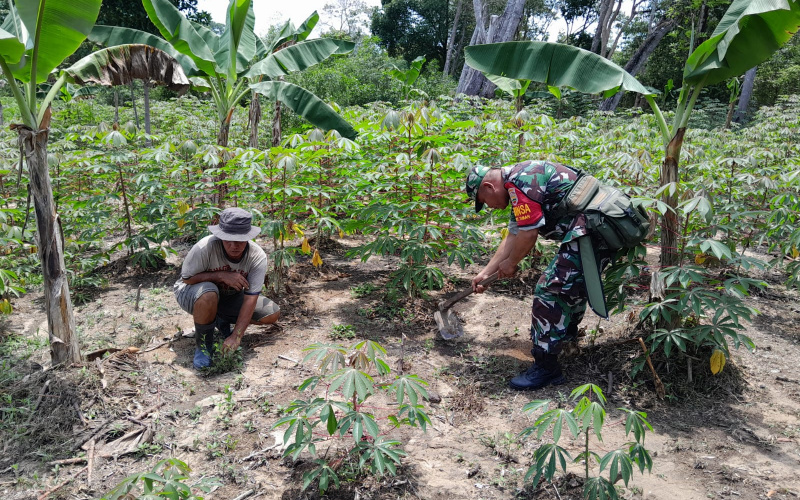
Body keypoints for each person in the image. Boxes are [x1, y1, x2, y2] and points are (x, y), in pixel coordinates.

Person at [465, 160, 611, 390]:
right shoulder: (519, 181)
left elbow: (529, 235)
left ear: (488, 187)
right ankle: (566, 341)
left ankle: (547, 367)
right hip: (595, 227)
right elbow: (513, 235)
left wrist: (511, 264)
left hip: (593, 227)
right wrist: (486, 272)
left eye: (484, 202)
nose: (490, 207)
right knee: (570, 285)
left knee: (550, 291)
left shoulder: (520, 182)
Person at [174, 208, 280, 369]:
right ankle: (204, 346)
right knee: (208, 292)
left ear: (248, 237)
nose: (233, 245)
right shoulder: (205, 247)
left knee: (271, 313)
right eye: (228, 239)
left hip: (228, 296)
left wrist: (236, 336)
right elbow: (187, 279)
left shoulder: (257, 256)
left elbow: (251, 298)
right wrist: (220, 276)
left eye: (239, 240)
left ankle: (219, 319)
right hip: (191, 293)